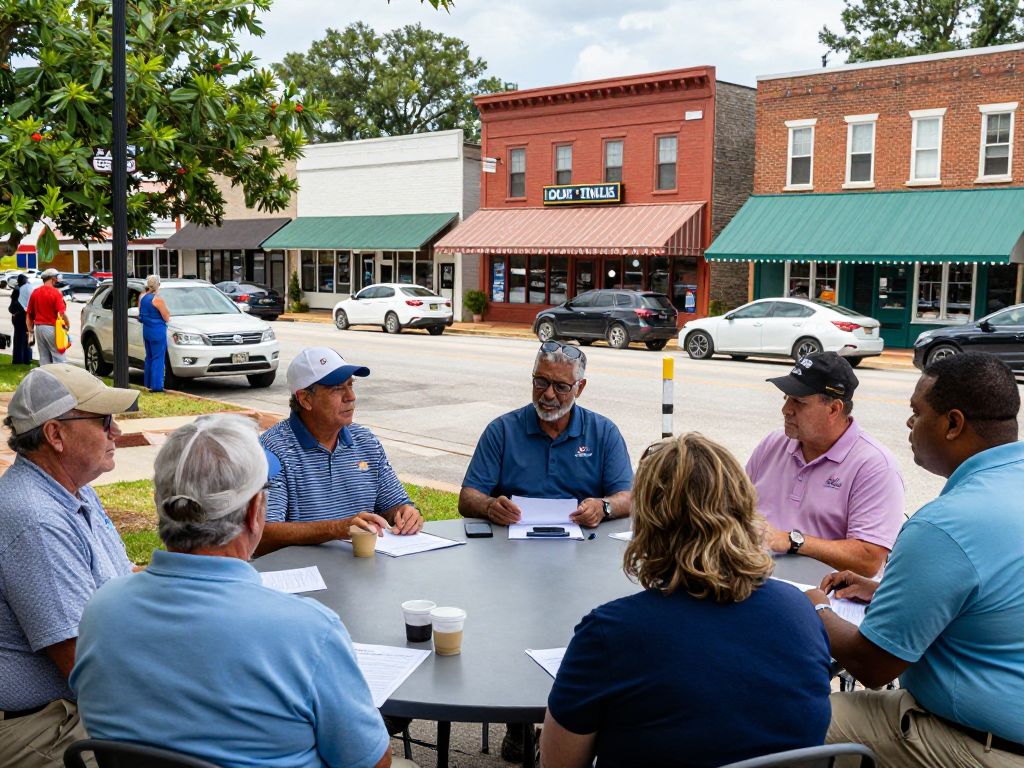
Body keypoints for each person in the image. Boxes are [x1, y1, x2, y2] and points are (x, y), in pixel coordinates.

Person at [71, 415, 414, 768]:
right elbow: (372, 762)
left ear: (162, 504)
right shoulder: (308, 631)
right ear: (255, 512)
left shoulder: (101, 611)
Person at [541, 433, 833, 768]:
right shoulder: (800, 611)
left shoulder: (611, 635)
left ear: (649, 523)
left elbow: (559, 763)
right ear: (743, 510)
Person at [807, 352, 1024, 768]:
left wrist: (814, 606)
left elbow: (872, 665)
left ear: (953, 424)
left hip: (975, 742)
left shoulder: (945, 525)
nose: (909, 424)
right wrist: (889, 592)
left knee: (790, 717)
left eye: (916, 413)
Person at [0, 364, 139, 768]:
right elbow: (88, 667)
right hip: (43, 721)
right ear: (55, 435)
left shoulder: (72, 492)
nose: (115, 432)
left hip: (72, 705)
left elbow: (122, 585)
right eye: (103, 421)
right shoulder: (36, 518)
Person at [745, 351, 904, 576]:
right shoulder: (773, 444)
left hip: (822, 596)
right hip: (755, 579)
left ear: (833, 409)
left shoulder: (874, 466)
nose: (786, 410)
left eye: (799, 402)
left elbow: (869, 560)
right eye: (786, 398)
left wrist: (792, 541)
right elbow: (736, 509)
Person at [258, 347, 424, 556]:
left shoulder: (365, 441)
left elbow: (394, 505)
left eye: (350, 385)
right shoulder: (273, 450)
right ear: (305, 399)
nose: (351, 396)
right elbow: (263, 533)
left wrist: (406, 514)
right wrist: (337, 529)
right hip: (304, 576)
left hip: (362, 572)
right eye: (337, 388)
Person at [459, 341, 633, 529]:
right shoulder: (502, 431)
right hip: (511, 545)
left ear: (579, 388)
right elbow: (468, 497)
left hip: (584, 543)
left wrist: (603, 507)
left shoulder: (603, 433)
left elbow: (629, 497)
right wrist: (489, 506)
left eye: (561, 386)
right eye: (541, 382)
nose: (549, 394)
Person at [25, 268, 69, 365]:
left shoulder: (35, 292)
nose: (57, 280)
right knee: (59, 357)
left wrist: (30, 331)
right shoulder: (56, 293)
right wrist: (67, 324)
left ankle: (45, 379)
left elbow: (29, 315)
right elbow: (61, 313)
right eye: (57, 278)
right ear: (52, 278)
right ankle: (59, 379)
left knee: (44, 358)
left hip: (39, 329)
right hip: (52, 328)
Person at [139, 274, 171, 392]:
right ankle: (157, 386)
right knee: (158, 358)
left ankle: (148, 383)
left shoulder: (142, 297)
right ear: (158, 285)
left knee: (149, 357)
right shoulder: (157, 299)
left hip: (147, 331)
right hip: (157, 331)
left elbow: (141, 314)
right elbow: (166, 316)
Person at [8, 273, 32, 364]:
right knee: (29, 336)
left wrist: (13, 312)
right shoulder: (29, 289)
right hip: (29, 316)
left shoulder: (17, 289)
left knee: (19, 337)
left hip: (19, 316)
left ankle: (18, 359)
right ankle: (28, 358)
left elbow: (13, 305)